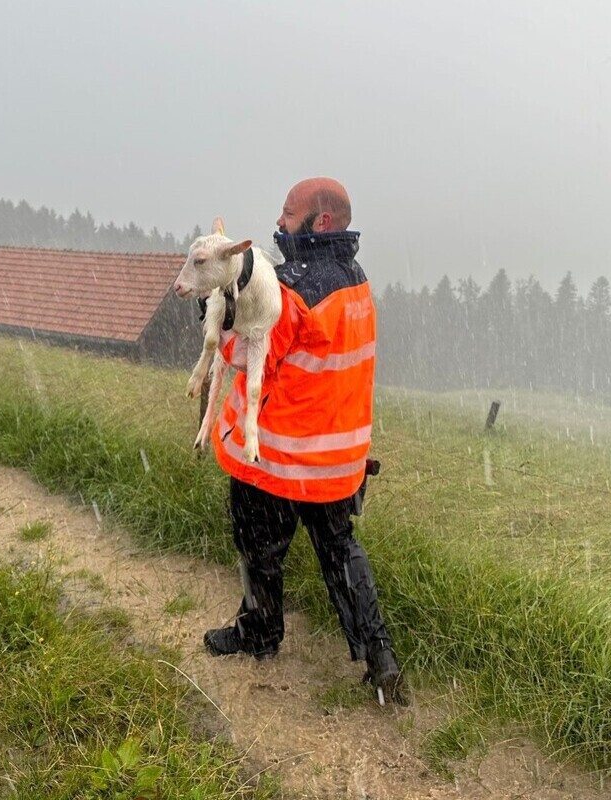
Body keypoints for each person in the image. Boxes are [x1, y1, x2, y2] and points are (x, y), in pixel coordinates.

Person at [202, 177, 407, 705]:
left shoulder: (290, 287)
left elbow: (247, 360)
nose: (278, 220)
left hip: (278, 455)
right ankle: (380, 656)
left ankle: (261, 634)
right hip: (338, 458)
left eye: (288, 213)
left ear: (320, 223)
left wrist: (214, 312)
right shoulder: (355, 279)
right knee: (341, 551)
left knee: (259, 549)